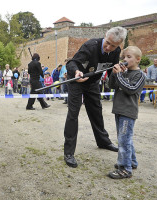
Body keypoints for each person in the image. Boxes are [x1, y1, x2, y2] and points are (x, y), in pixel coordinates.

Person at [63, 27, 126, 168]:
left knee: (96, 111)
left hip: (93, 83)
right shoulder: (91, 46)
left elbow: (111, 73)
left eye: (114, 46)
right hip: (77, 81)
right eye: (108, 43)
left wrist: (117, 73)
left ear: (119, 45)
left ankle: (103, 141)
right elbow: (71, 63)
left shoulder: (116, 51)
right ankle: (68, 152)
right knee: (73, 114)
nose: (109, 47)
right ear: (105, 36)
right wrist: (76, 72)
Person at [108, 46, 146, 179]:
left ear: (138, 59)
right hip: (118, 110)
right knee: (124, 139)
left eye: (128, 57)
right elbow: (111, 86)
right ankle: (132, 162)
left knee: (124, 140)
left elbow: (131, 89)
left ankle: (125, 169)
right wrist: (114, 74)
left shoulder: (140, 75)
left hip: (128, 112)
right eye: (123, 57)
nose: (125, 59)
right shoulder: (123, 73)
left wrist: (119, 75)